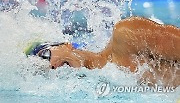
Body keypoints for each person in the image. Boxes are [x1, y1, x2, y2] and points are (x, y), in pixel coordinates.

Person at [25, 16, 180, 86]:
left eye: (45, 55)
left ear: (66, 45)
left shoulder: (125, 35)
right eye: (44, 70)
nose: (51, 66)